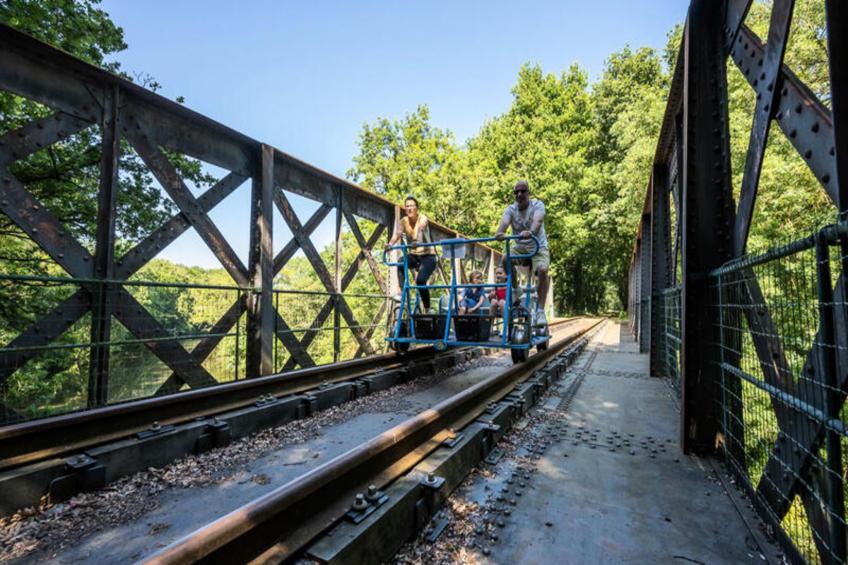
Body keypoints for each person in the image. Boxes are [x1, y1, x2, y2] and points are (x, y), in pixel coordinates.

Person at [495, 180, 550, 318]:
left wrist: (531, 232)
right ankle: (516, 289)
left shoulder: (537, 205)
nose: (519, 194)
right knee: (505, 259)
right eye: (516, 192)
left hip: (538, 246)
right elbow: (504, 222)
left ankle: (540, 311)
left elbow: (538, 221)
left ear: (528, 193)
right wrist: (500, 232)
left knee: (543, 270)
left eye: (523, 191)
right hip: (520, 248)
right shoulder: (510, 209)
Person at [386, 195, 438, 313]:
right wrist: (390, 244)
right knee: (401, 262)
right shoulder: (404, 221)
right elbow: (397, 234)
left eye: (412, 206)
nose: (409, 208)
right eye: (407, 206)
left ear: (417, 208)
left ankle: (427, 308)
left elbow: (421, 229)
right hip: (414, 256)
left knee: (420, 281)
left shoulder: (423, 218)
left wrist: (417, 241)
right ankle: (401, 293)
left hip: (428, 256)